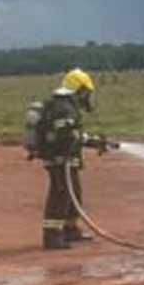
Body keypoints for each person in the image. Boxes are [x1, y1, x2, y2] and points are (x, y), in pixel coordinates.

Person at [38, 68, 98, 250]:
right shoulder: (63, 106)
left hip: (66, 159)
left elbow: (72, 133)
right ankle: (52, 237)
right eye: (86, 92)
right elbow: (65, 134)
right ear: (79, 89)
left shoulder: (67, 105)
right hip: (58, 159)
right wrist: (84, 139)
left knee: (74, 194)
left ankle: (70, 230)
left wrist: (93, 141)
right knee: (60, 194)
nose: (87, 97)